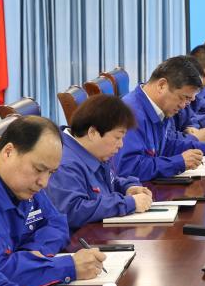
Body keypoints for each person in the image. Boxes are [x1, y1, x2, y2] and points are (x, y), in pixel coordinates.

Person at [0, 115, 106, 286]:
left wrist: (31, 257)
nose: (44, 183)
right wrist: (66, 267)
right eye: (39, 169)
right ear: (8, 152)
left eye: (51, 173)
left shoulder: (25, 185)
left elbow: (57, 223)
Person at [48, 95, 154, 229]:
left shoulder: (93, 153)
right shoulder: (64, 163)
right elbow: (73, 211)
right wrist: (128, 204)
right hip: (80, 238)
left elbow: (110, 181)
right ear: (92, 133)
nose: (121, 145)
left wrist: (128, 188)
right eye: (117, 137)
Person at [118, 56, 205, 181]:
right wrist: (178, 163)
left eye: (188, 101)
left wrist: (204, 148)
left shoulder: (160, 108)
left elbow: (166, 145)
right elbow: (129, 169)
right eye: (183, 98)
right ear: (162, 86)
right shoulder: (129, 114)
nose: (183, 106)